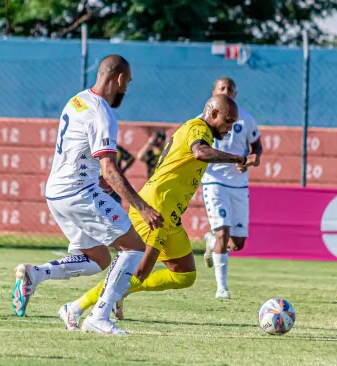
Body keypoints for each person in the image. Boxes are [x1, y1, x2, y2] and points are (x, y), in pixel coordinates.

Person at [59, 95, 259, 329]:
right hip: (155, 211)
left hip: (169, 215)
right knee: (140, 271)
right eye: (228, 121)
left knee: (184, 275)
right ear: (213, 114)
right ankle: (76, 307)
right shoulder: (198, 127)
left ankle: (119, 292)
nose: (230, 128)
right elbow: (200, 153)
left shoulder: (200, 130)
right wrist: (242, 158)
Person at [11, 54, 164, 335]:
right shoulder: (101, 112)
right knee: (133, 247)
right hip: (79, 192)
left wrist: (98, 177)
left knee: (98, 259)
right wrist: (142, 207)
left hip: (57, 193)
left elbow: (83, 154)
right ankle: (100, 316)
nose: (126, 90)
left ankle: (36, 273)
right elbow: (110, 169)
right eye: (127, 83)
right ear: (118, 79)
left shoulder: (77, 100)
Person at [202, 77, 263, 299]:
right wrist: (236, 158)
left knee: (237, 243)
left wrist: (253, 158)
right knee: (222, 232)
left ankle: (210, 240)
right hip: (214, 181)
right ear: (214, 93)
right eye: (222, 88)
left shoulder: (245, 118)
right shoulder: (203, 120)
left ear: (235, 94)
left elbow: (256, 145)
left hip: (238, 185)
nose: (226, 91)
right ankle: (222, 289)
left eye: (230, 89)